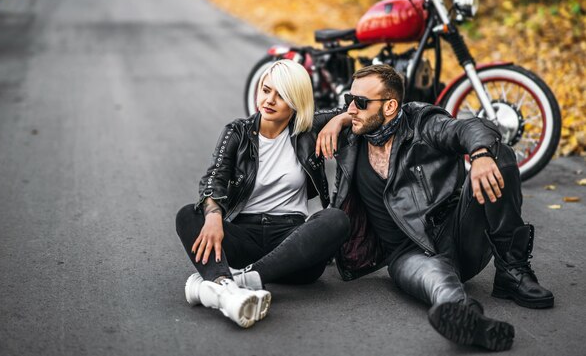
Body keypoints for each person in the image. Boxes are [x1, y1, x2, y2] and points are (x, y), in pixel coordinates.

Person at [315, 64, 554, 351]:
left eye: (360, 102)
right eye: (348, 101)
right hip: (407, 256)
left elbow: (470, 127)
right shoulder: (354, 132)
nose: (352, 108)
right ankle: (471, 321)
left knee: (499, 156)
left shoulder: (421, 123)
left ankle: (513, 270)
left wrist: (479, 155)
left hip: (456, 232)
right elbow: (297, 118)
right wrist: (337, 119)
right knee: (440, 287)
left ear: (390, 106)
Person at [175, 59, 350, 328]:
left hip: (292, 244)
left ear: (296, 101)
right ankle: (228, 291)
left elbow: (356, 110)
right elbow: (214, 177)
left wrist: (338, 121)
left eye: (281, 95)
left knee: (336, 219)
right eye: (266, 90)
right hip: (244, 239)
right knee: (188, 215)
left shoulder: (308, 129)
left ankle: (229, 283)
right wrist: (213, 215)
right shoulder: (238, 132)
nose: (269, 100)